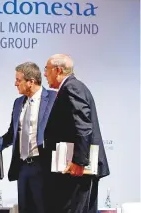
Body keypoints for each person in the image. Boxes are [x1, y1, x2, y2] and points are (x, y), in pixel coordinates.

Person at [43, 54, 110, 213]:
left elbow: (83, 126)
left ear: (58, 70)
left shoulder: (72, 87)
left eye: (46, 69)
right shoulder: (70, 87)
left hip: (78, 170)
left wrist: (79, 161)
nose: (45, 74)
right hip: (72, 169)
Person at [0, 62, 57, 213]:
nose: (15, 83)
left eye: (18, 80)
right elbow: (12, 133)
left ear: (31, 81)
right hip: (23, 168)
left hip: (43, 166)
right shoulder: (18, 103)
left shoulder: (54, 98)